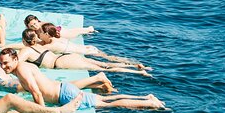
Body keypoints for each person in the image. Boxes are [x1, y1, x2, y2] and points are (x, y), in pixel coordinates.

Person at [0, 48, 166, 110]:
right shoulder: (22, 67)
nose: (4, 67)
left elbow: (37, 93)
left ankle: (150, 103)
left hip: (65, 96)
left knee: (108, 103)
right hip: (64, 90)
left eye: (6, 63)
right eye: (1, 64)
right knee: (102, 98)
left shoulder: (22, 70)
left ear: (15, 59)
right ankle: (146, 97)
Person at [15, 29, 150, 75]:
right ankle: (134, 66)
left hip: (62, 61)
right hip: (67, 56)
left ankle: (138, 72)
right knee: (104, 64)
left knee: (106, 69)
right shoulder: (40, 46)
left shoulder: (26, 50)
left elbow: (16, 63)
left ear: (24, 40)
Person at [0, 53, 116, 94]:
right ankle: (97, 83)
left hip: (17, 87)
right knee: (56, 86)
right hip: (16, 83)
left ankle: (97, 78)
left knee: (56, 89)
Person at [24, 14, 95, 39]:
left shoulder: (43, 25)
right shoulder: (31, 28)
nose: (34, 27)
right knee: (72, 30)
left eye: (35, 24)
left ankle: (89, 29)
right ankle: (88, 28)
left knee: (76, 33)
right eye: (31, 26)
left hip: (60, 33)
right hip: (58, 29)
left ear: (37, 20)